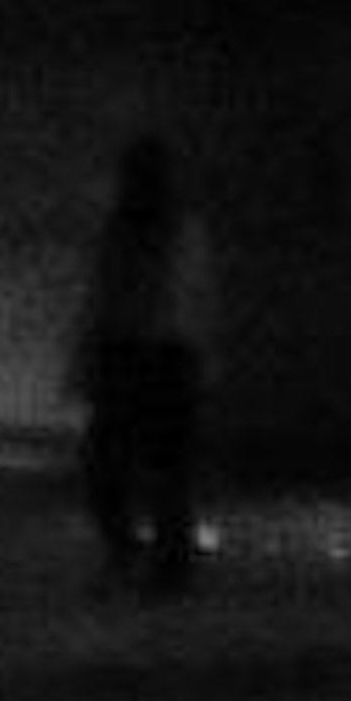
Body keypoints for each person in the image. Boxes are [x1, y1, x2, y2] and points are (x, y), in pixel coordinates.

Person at [74, 132, 216, 595]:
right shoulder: (133, 228)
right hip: (146, 353)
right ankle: (150, 558)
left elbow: (173, 295)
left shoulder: (166, 228)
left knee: (154, 468)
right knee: (136, 468)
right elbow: (111, 295)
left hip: (153, 354)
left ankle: (157, 561)